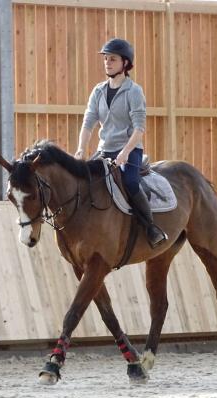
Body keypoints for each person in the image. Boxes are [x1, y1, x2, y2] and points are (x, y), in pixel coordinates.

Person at [74, 38, 167, 248]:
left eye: (112, 59)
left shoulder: (134, 91)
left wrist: (125, 152)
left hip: (129, 149)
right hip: (104, 149)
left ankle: (150, 227)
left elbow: (139, 128)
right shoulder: (98, 91)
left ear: (125, 63)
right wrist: (81, 149)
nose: (107, 62)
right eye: (105, 59)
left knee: (131, 182)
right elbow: (88, 122)